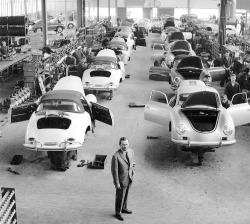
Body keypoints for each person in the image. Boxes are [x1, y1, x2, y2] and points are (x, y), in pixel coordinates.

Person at [111, 137, 136, 221]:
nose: (125, 146)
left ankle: (124, 208)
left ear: (128, 144)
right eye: (123, 144)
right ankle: (118, 212)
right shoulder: (116, 156)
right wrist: (116, 183)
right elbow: (114, 171)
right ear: (120, 145)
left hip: (129, 177)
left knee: (126, 194)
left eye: (126, 144)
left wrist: (133, 171)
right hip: (121, 180)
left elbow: (133, 162)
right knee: (120, 197)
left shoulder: (131, 151)